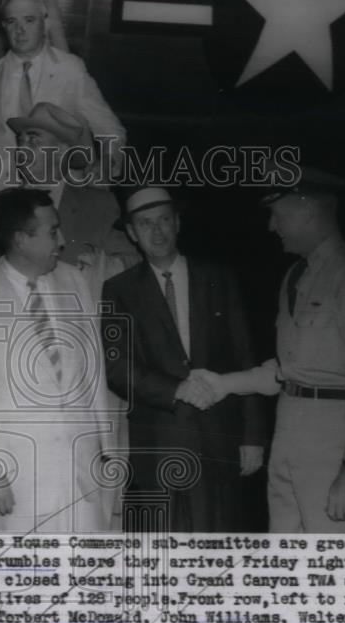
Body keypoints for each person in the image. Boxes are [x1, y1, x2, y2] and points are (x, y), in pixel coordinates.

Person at [195, 169, 345, 533]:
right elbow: (289, 370)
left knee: (339, 574)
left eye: (279, 215)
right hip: (288, 440)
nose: (272, 226)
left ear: (307, 211)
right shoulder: (295, 277)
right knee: (288, 568)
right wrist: (222, 384)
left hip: (336, 450)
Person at [0, 188, 115, 532]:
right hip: (20, 482)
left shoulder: (74, 281)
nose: (63, 240)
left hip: (82, 474)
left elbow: (93, 371)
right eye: (53, 231)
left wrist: (106, 448)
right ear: (21, 239)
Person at [101, 187, 266, 532]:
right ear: (131, 233)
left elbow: (245, 356)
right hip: (158, 445)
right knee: (161, 556)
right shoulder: (118, 290)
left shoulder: (219, 278)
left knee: (216, 548)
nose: (157, 232)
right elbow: (117, 368)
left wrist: (252, 436)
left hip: (218, 440)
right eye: (145, 224)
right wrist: (177, 389)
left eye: (164, 220)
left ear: (178, 222)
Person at [0, 0, 126, 218]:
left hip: (56, 200)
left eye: (29, 20)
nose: (19, 30)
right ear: (3, 26)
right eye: (11, 21)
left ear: (45, 23)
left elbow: (111, 129)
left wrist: (106, 164)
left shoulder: (71, 70)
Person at [0, 101, 140, 287]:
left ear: (61, 150)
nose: (22, 150)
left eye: (33, 141)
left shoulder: (98, 204)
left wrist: (104, 268)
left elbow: (133, 259)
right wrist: (10, 275)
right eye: (20, 141)